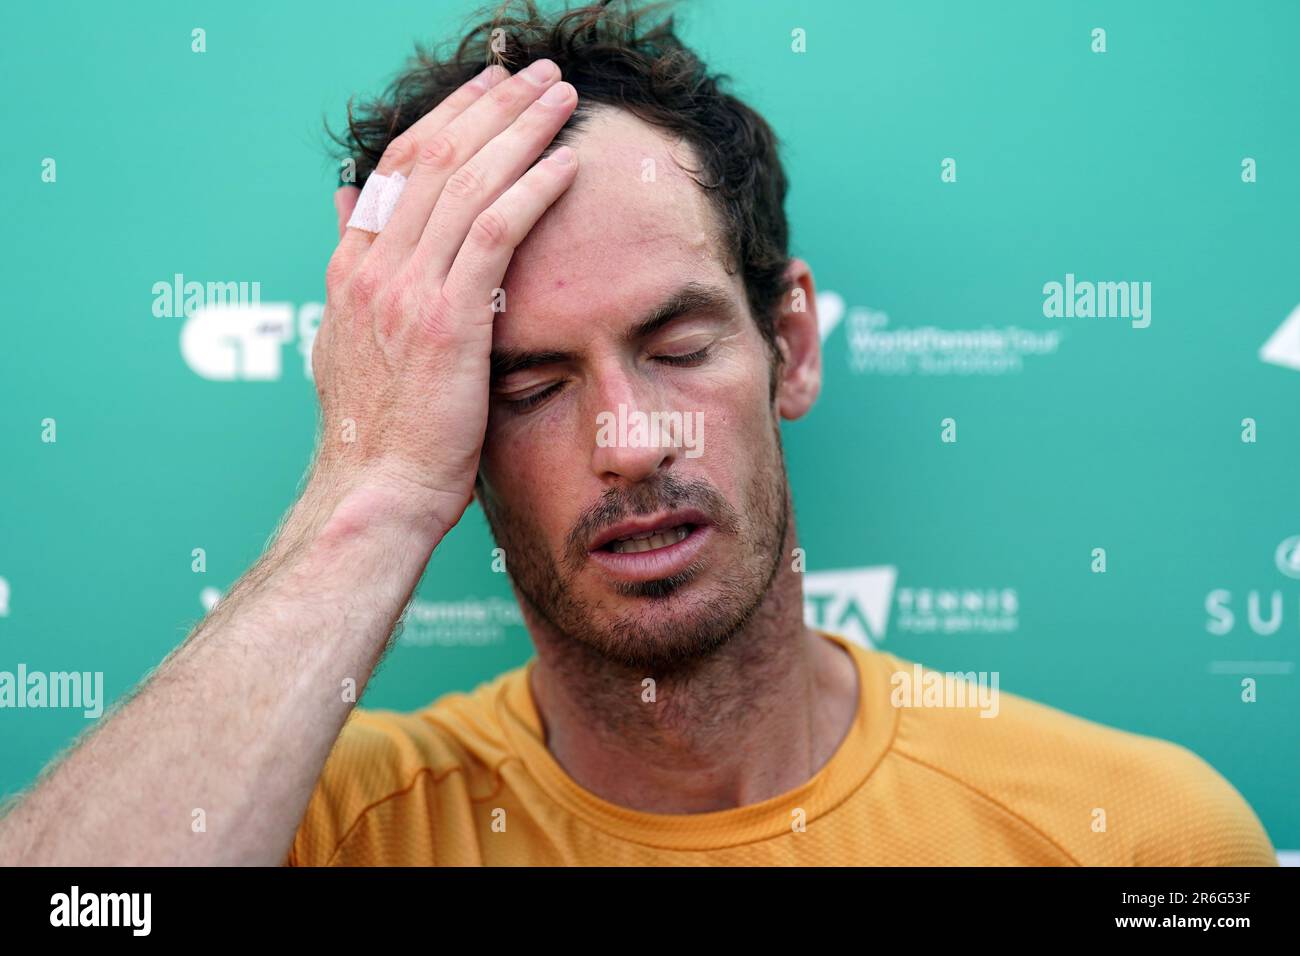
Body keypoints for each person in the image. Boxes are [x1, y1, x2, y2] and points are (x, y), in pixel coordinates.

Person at [0, 0, 1277, 866]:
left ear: (790, 344)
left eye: (676, 345)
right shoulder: (316, 825)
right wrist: (372, 482)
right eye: (526, 383)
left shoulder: (1135, 833)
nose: (629, 437)